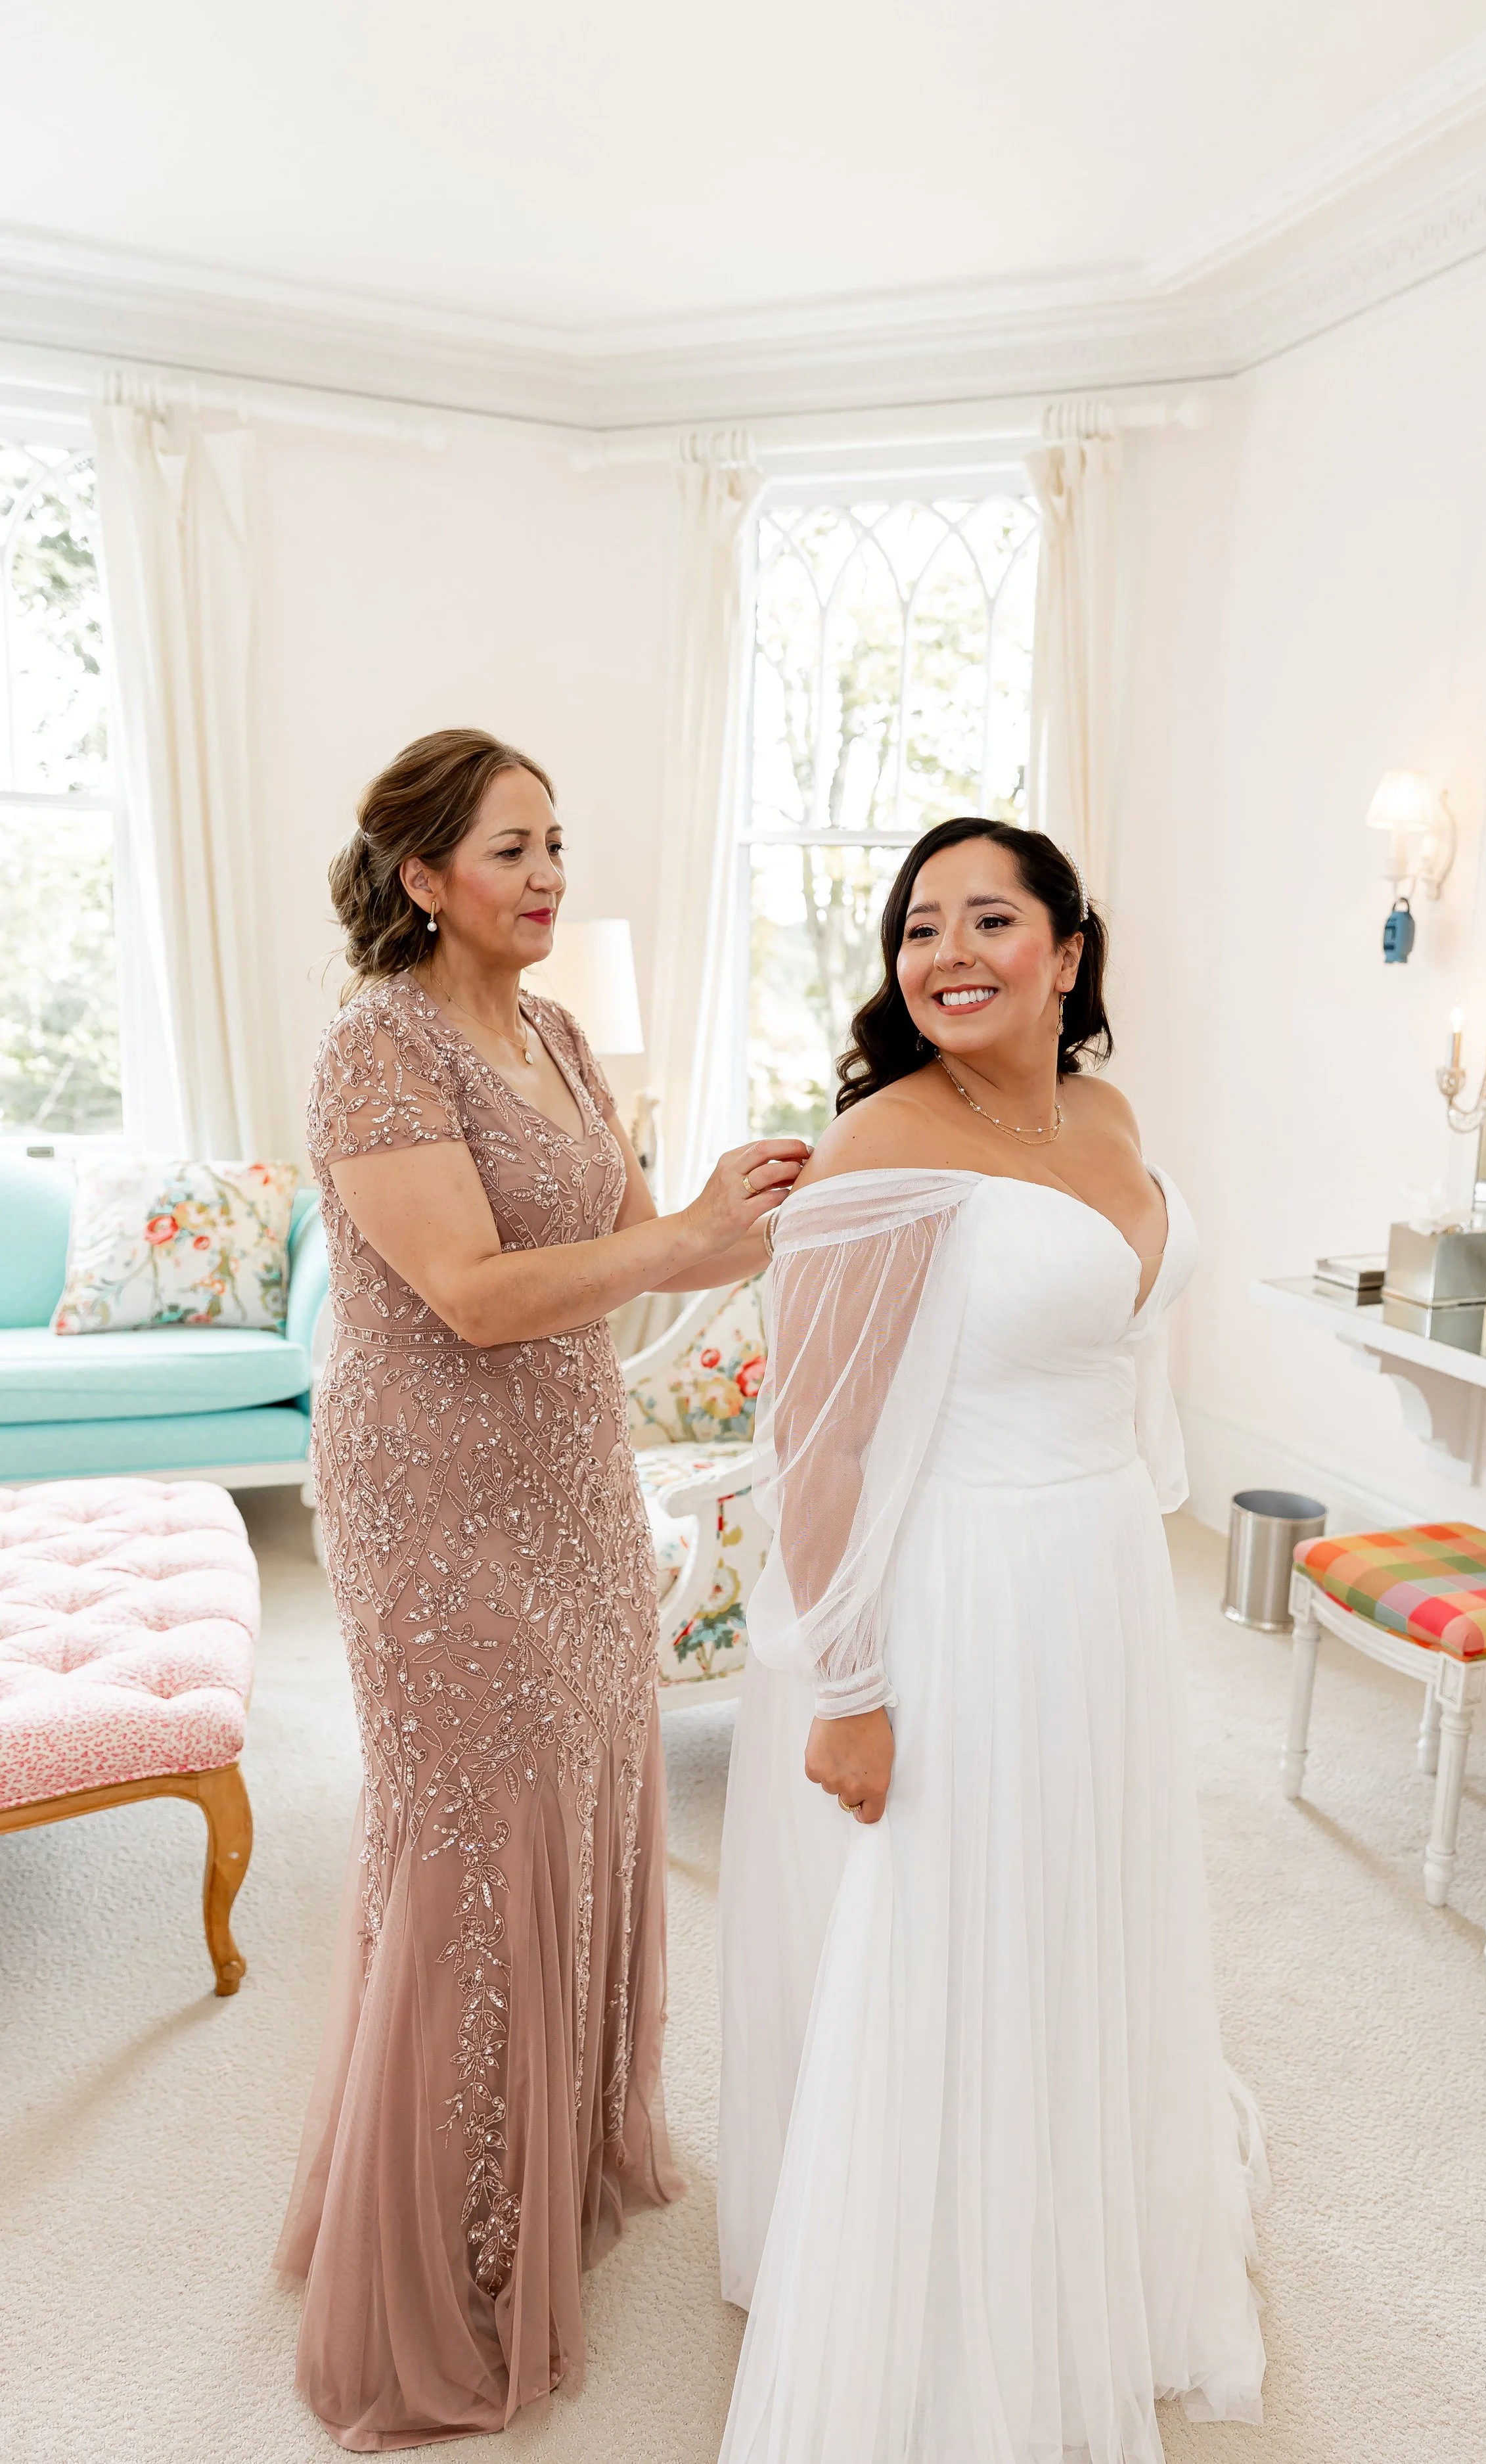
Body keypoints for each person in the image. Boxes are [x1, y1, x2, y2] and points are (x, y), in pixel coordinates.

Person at [276, 727, 805, 2452]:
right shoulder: (378, 1045)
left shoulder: (563, 1032)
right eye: (511, 848)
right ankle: (444, 2250)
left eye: (556, 843)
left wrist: (740, 1223)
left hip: (575, 1475)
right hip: (431, 1494)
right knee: (464, 1834)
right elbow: (475, 1294)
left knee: (579, 1801)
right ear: (422, 877)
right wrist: (685, 1239)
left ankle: (556, 2161)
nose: (548, 873)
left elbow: (629, 1254)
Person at [717, 817, 1266, 2463]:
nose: (946, 952)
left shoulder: (1105, 1112)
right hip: (957, 1584)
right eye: (916, 927)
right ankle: (943, 2285)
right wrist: (849, 1687)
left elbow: (1126, 1341)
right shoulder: (880, 1145)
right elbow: (811, 1444)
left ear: (1066, 953)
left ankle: (1069, 2214)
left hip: (1095, 1570)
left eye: (988, 919)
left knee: (1076, 1905)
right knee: (953, 1925)